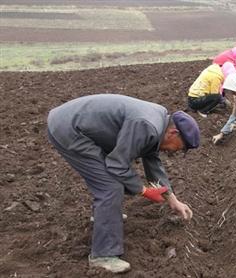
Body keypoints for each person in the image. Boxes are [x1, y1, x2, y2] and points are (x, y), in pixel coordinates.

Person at [47, 94, 200, 273]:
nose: (175, 151)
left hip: (77, 125)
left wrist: (172, 199)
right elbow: (117, 164)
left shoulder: (160, 121)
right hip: (69, 129)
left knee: (110, 181)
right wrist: (143, 190)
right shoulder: (147, 124)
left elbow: (152, 160)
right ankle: (103, 255)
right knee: (110, 186)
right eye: (180, 147)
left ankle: (105, 217)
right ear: (174, 133)